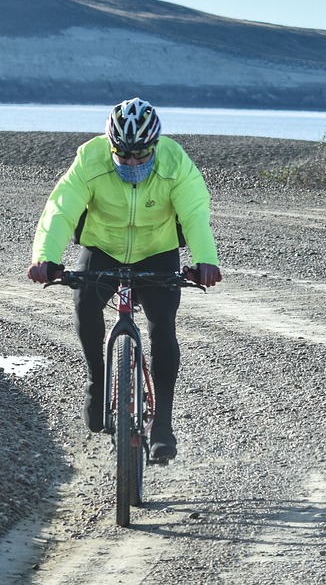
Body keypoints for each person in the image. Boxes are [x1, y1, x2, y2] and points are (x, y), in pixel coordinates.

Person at [27, 97, 221, 461]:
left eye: (141, 155)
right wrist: (45, 258)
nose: (132, 162)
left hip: (157, 250)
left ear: (155, 146)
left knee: (163, 326)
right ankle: (97, 381)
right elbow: (61, 209)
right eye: (123, 154)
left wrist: (205, 261)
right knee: (85, 304)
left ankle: (162, 424)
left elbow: (195, 214)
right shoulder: (90, 158)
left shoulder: (176, 162)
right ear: (110, 145)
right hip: (103, 246)